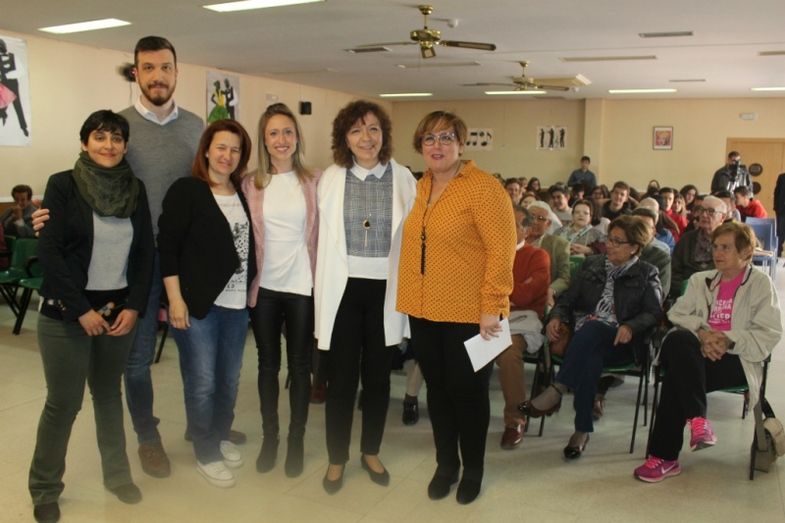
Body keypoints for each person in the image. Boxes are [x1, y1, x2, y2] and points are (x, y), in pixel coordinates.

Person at [34, 36, 213, 478]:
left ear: (177, 72)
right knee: (136, 361)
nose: (157, 76)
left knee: (198, 356)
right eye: (148, 68)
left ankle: (203, 428)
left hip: (186, 262)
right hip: (136, 265)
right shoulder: (119, 128)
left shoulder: (197, 127)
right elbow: (86, 185)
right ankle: (148, 439)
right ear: (136, 73)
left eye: (165, 67)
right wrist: (47, 219)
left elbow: (214, 186)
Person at [29, 110, 154, 523]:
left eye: (117, 138)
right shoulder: (63, 185)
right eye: (100, 136)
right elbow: (50, 253)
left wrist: (134, 305)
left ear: (125, 146)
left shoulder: (135, 189)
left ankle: (117, 476)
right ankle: (45, 488)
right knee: (63, 404)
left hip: (117, 314)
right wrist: (81, 310)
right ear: (84, 143)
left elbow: (145, 253)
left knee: (108, 395)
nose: (109, 145)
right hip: (66, 313)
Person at [397, 110, 516, 504]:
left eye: (446, 137)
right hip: (423, 309)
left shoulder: (484, 188)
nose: (437, 145)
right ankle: (446, 464)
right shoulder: (420, 186)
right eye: (429, 139)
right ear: (420, 145)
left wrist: (492, 306)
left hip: (470, 313)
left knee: (468, 394)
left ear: (461, 144)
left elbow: (501, 252)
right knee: (438, 391)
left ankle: (474, 469)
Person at [315, 100, 416, 494]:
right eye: (356, 130)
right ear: (345, 138)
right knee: (341, 380)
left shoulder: (403, 178)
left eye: (373, 129)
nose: (366, 137)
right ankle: (336, 457)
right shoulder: (331, 178)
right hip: (343, 291)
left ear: (384, 135)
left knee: (378, 380)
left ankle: (370, 451)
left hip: (385, 292)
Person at [634, 222, 782, 482]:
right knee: (679, 341)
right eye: (715, 246)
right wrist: (703, 334)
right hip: (695, 351)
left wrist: (728, 340)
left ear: (746, 252)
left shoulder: (761, 284)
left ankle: (664, 457)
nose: (717, 253)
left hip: (736, 360)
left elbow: (769, 331)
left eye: (726, 247)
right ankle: (698, 421)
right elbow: (676, 313)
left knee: (677, 376)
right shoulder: (700, 280)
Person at [158, 119, 255, 488]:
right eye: (221, 147)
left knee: (228, 379)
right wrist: (175, 299)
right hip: (199, 304)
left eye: (235, 149)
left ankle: (219, 433)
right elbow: (168, 247)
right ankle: (205, 450)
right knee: (202, 381)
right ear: (206, 151)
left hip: (236, 305)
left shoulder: (242, 192)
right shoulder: (187, 190)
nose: (227, 155)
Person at [520, 216, 662, 459]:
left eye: (617, 241)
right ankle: (582, 430)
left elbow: (654, 312)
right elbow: (567, 298)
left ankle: (559, 386)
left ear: (634, 248)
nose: (609, 245)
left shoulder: (647, 272)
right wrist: (557, 316)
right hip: (583, 341)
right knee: (590, 358)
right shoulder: (593, 264)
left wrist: (631, 326)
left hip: (621, 341)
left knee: (593, 327)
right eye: (609, 239)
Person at [242, 103, 319, 478]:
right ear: (264, 140)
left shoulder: (315, 181)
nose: (281, 139)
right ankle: (270, 437)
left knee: (301, 366)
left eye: (288, 131)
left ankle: (296, 439)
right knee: (268, 365)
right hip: (266, 288)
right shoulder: (251, 183)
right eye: (273, 133)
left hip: (302, 285)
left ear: (297, 137)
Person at [495, 205, 550, 450]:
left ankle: (515, 420)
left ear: (527, 230)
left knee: (508, 353)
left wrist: (499, 289)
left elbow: (526, 296)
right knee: (456, 341)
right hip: (488, 315)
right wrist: (509, 293)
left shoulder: (537, 256)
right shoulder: (489, 252)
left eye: (513, 224)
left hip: (521, 320)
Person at [670, 195, 727, 298]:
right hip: (687, 293)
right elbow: (674, 271)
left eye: (711, 211)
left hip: (719, 294)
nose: (704, 215)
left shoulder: (729, 242)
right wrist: (687, 290)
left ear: (722, 217)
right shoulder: (686, 239)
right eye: (702, 210)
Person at [527, 201, 570, 307]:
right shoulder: (513, 241)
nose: (535, 222)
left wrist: (551, 290)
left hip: (542, 296)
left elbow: (564, 278)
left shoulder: (559, 244)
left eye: (541, 218)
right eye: (531, 217)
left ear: (548, 224)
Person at [774, 172, 785, 255]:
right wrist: (776, 207)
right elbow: (776, 192)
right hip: (781, 210)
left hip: (780, 209)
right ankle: (778, 252)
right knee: (780, 232)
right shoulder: (782, 177)